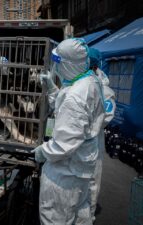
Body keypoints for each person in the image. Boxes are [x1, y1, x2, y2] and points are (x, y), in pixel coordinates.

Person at [34, 38, 106, 225]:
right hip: (80, 170)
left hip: (65, 175)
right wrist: (52, 89)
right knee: (80, 215)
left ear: (69, 64)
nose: (56, 68)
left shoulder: (76, 95)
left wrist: (44, 151)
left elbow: (64, 144)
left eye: (58, 63)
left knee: (55, 219)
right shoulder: (89, 81)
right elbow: (67, 109)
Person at [88, 48, 116, 221]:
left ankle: (88, 217)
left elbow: (105, 118)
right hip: (74, 146)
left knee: (91, 184)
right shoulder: (77, 83)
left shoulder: (105, 91)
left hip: (92, 146)